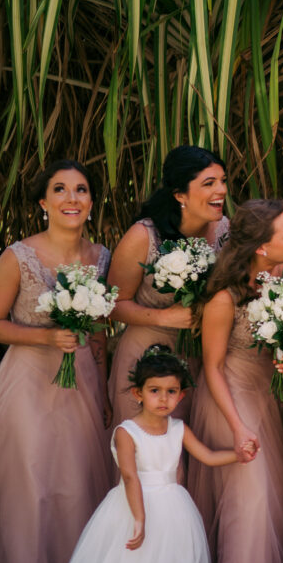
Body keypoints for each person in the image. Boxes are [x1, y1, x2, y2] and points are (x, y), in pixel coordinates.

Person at [0, 160, 114, 563]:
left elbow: (102, 331)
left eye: (81, 190)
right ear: (43, 202)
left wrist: (104, 387)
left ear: (91, 201)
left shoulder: (102, 256)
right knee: (30, 489)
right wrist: (47, 334)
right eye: (61, 190)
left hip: (82, 384)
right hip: (27, 385)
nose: (72, 199)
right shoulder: (18, 256)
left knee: (75, 487)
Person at [187, 199, 283, 563]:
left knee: (275, 508)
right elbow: (213, 367)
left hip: (269, 401)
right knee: (251, 508)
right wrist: (238, 426)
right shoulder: (224, 297)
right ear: (261, 246)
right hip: (232, 402)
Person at [54, 345, 243, 563]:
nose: (163, 399)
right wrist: (140, 520)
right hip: (132, 508)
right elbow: (131, 477)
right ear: (138, 393)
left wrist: (238, 454)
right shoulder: (127, 432)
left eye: (171, 392)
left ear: (181, 395)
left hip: (174, 511)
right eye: (155, 391)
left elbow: (208, 456)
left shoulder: (178, 428)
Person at [106, 145, 229, 428]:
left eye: (223, 181)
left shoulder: (226, 232)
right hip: (146, 360)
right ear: (179, 194)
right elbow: (112, 305)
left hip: (200, 360)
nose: (221, 190)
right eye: (209, 183)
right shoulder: (144, 236)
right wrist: (164, 317)